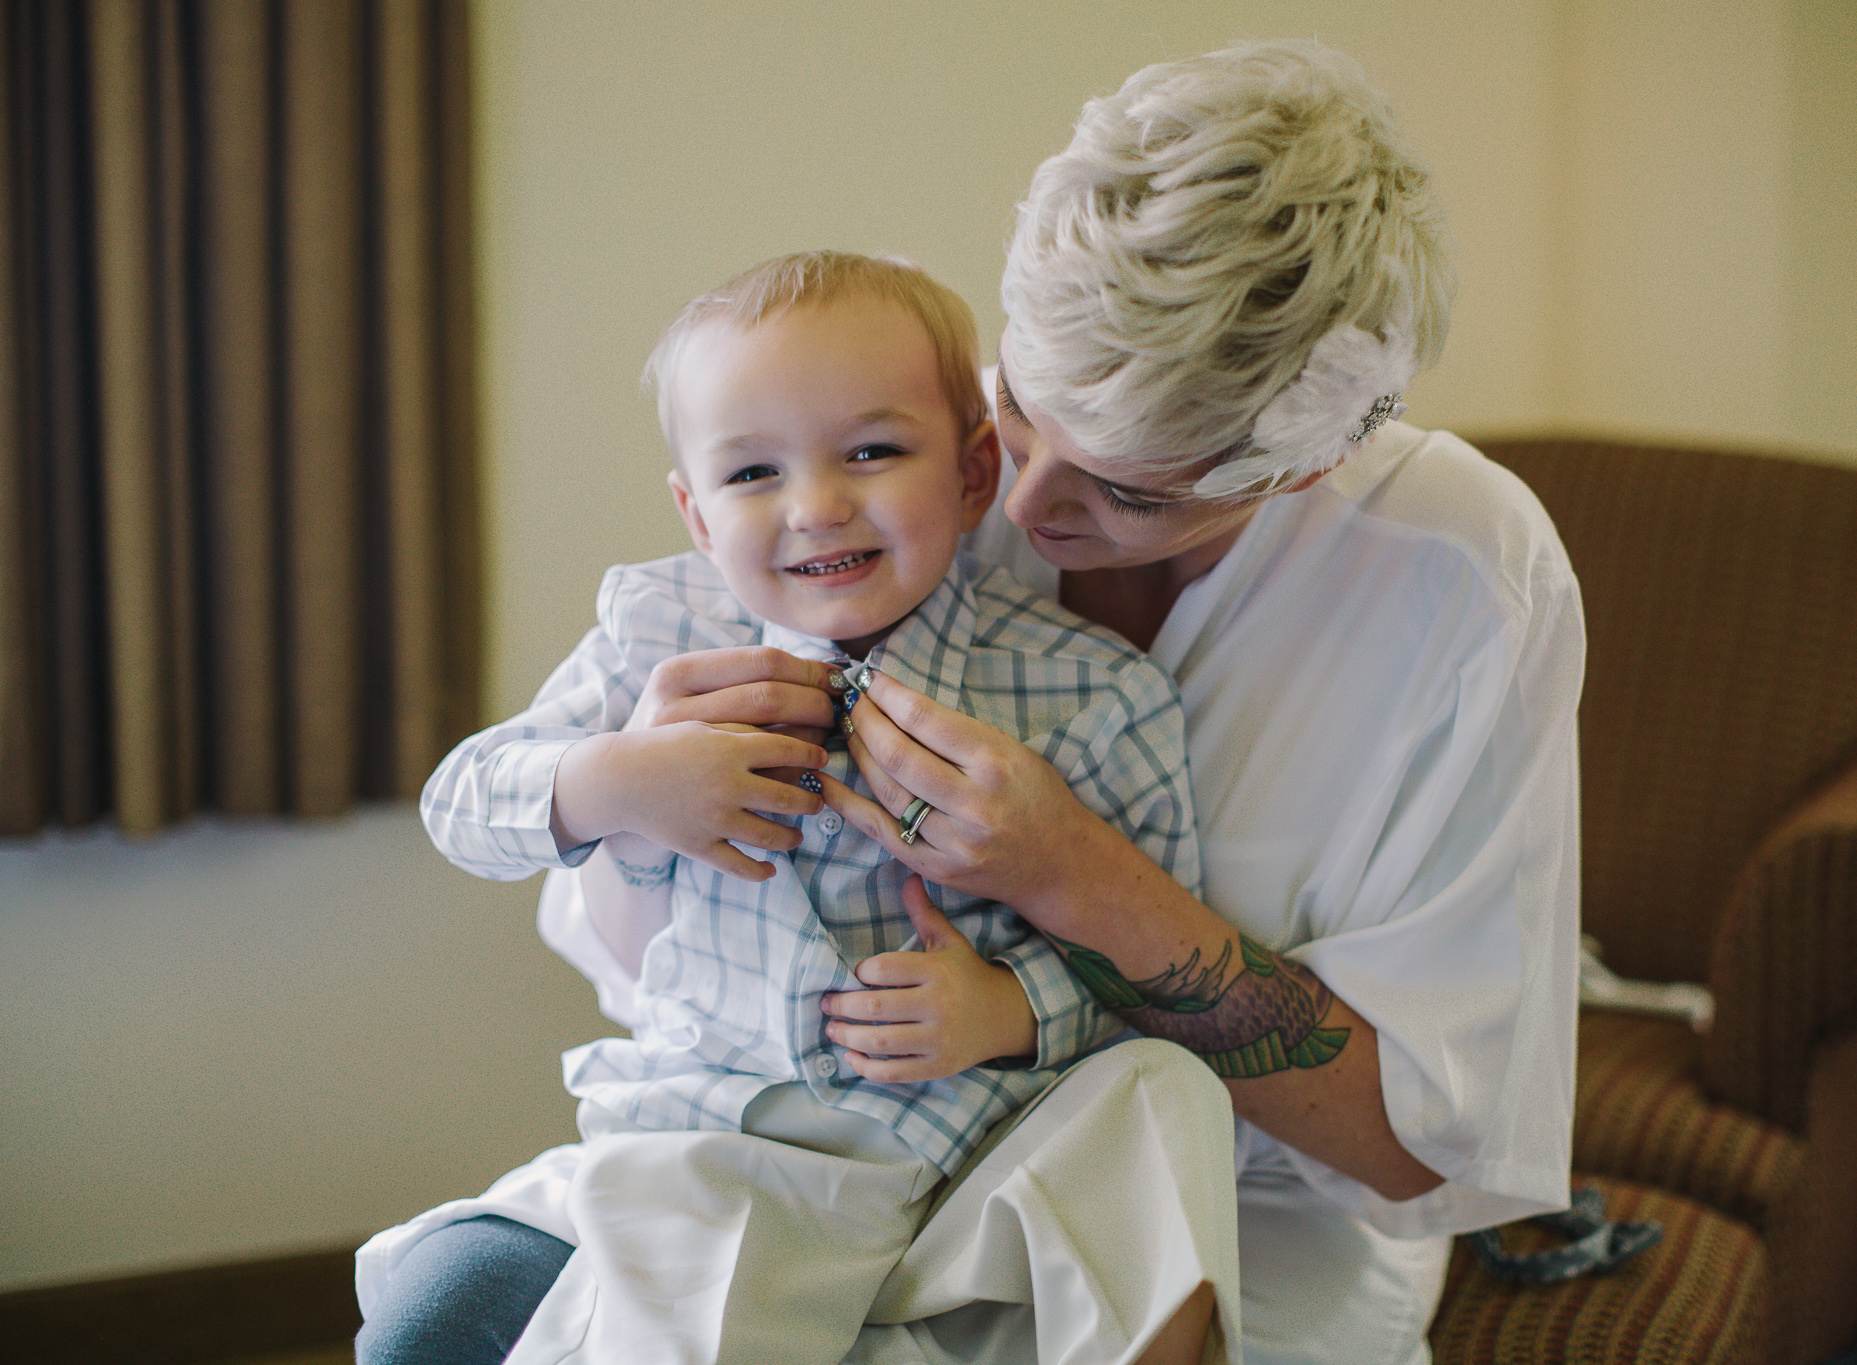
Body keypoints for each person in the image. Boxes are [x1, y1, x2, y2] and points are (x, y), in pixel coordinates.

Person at [537, 38, 1582, 1365]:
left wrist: (1072, 876)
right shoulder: (897, 464)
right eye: (1018, 421)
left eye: (1130, 491)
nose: (1019, 512)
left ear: (1313, 463)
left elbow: (1415, 1151)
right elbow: (616, 937)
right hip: (811, 1131)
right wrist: (645, 794)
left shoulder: (1460, 583)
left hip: (1251, 1209)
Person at [354, 253, 1236, 1365]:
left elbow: (1166, 977)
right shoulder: (659, 635)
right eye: (752, 473)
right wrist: (619, 778)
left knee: (1165, 1098)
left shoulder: (1091, 692)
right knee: (694, 1269)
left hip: (972, 1155)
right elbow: (460, 804)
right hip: (721, 1143)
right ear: (694, 510)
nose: (817, 506)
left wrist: (1010, 1009)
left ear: (971, 476)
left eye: (872, 451)